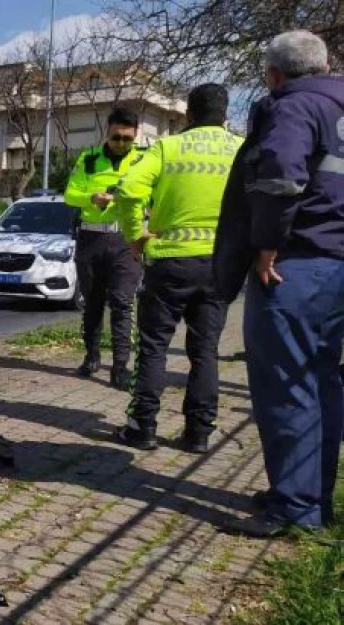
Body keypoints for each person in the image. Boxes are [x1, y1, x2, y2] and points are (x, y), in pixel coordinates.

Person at [212, 30, 344, 538]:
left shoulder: (292, 107)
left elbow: (281, 179)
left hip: (296, 265)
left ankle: (294, 507)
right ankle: (315, 495)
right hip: (337, 264)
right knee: (323, 381)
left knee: (286, 386)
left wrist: (266, 246)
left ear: (274, 74)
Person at [111, 84, 243, 453]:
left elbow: (129, 189)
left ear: (189, 114)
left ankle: (142, 428)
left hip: (169, 263)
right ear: (225, 114)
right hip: (220, 264)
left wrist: (135, 235)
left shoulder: (168, 147)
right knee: (206, 352)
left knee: (153, 347)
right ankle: (198, 433)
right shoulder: (241, 149)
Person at [64, 108, 146, 389]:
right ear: (107, 132)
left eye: (127, 139)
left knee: (123, 303)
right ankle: (92, 355)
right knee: (93, 303)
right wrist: (91, 198)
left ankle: (121, 366)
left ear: (135, 136)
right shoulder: (88, 160)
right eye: (116, 137)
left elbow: (155, 196)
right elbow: (69, 195)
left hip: (125, 240)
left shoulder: (142, 161)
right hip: (91, 239)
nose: (121, 143)